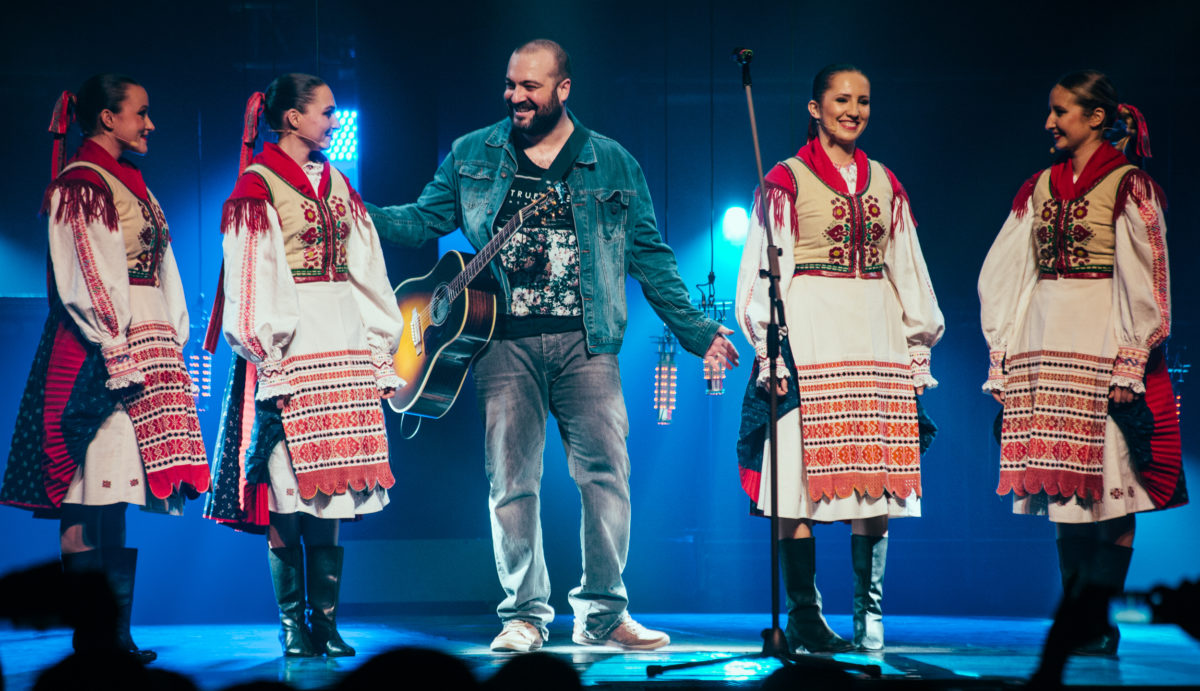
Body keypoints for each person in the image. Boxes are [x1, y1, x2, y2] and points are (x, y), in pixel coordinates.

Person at [367, 39, 739, 653]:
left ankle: (603, 613)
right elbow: (420, 221)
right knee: (510, 481)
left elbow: (651, 259)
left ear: (563, 89)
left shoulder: (612, 163)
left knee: (607, 474)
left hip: (586, 342)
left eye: (530, 87)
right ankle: (524, 615)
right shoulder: (472, 155)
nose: (515, 96)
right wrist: (352, 208)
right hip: (499, 344)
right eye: (510, 84)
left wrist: (697, 332)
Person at [0, 74, 212, 663]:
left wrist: (170, 335)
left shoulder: (134, 185)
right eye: (140, 113)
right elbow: (86, 275)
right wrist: (116, 342)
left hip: (141, 337)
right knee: (82, 492)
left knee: (115, 492)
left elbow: (162, 265)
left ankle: (115, 635)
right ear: (105, 118)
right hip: (95, 349)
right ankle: (91, 639)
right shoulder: (82, 184)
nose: (149, 125)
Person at [734, 64, 944, 653]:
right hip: (810, 332)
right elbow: (760, 270)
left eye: (864, 101)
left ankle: (868, 613)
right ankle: (804, 614)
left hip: (873, 334)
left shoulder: (885, 181)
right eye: (842, 100)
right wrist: (769, 349)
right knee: (797, 482)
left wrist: (916, 346)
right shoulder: (786, 179)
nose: (854, 110)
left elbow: (908, 266)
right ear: (815, 107)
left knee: (873, 481)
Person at [979, 69, 1184, 657]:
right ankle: (1075, 619)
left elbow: (1148, 279)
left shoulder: (1127, 185)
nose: (1049, 122)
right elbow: (1008, 274)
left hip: (1100, 336)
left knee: (1112, 489)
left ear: (1096, 117)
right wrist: (1005, 354)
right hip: (1046, 339)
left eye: (1061, 111)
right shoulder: (1039, 186)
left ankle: (1100, 621)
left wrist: (1130, 359)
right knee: (1066, 493)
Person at [203, 74, 404, 658]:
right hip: (293, 346)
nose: (334, 120)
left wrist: (378, 348)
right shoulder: (257, 185)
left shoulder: (339, 182)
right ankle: (293, 625)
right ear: (292, 117)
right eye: (326, 111)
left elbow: (367, 268)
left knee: (334, 492)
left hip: (342, 336)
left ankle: (326, 621)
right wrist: (268, 353)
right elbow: (249, 277)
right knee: (289, 491)